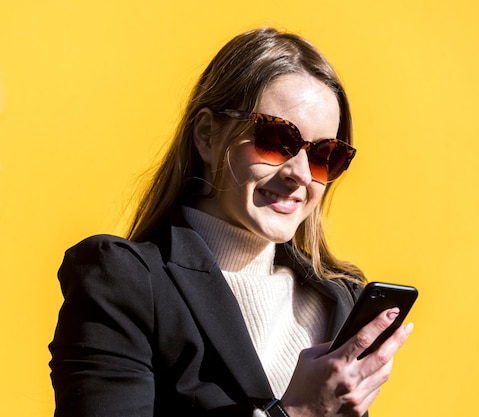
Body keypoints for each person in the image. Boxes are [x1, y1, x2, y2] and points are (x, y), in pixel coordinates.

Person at [49, 27, 413, 417]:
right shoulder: (123, 281)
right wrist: (296, 412)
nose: (303, 174)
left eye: (325, 154)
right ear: (206, 135)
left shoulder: (338, 301)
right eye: (275, 139)